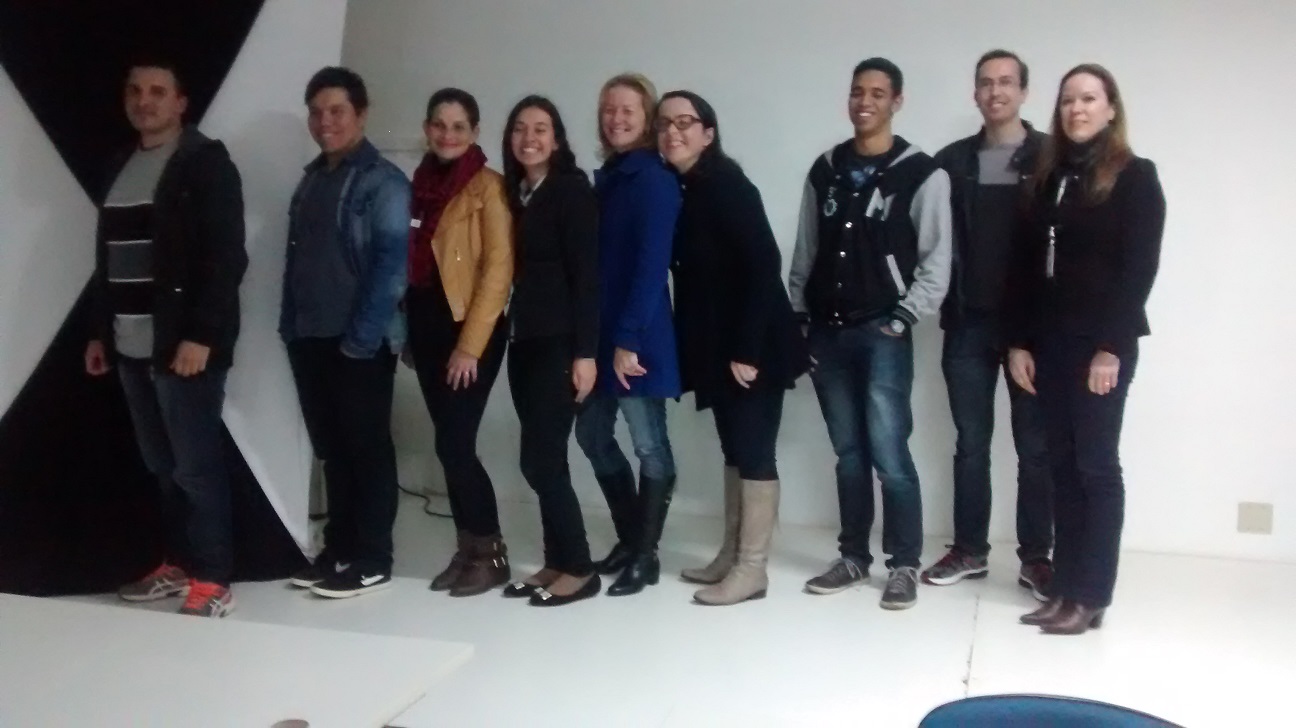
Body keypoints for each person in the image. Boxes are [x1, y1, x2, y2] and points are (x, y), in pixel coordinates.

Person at [788, 57, 952, 610]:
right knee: (848, 453)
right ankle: (853, 557)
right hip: (827, 334)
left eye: (878, 93)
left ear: (896, 102)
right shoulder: (826, 169)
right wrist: (799, 315)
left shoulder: (921, 173)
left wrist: (903, 317)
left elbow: (937, 261)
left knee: (889, 454)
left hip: (883, 332)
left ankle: (903, 564)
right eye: (858, 91)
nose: (865, 102)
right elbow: (806, 248)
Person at [85, 58, 247, 618]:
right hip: (131, 346)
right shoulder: (120, 164)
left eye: (158, 91)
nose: (144, 100)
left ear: (181, 103)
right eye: (135, 90)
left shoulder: (204, 163)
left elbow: (226, 258)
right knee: (162, 465)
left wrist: (201, 336)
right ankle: (180, 565)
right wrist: (101, 332)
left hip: (183, 348)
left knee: (196, 468)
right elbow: (108, 260)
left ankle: (214, 578)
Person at [1009, 64, 1165, 635]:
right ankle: (1065, 589)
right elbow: (1025, 270)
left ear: (1110, 108)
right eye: (1068, 100)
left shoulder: (1135, 176)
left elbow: (1138, 271)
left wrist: (1110, 348)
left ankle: (1092, 594)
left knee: (1095, 467)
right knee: (1062, 469)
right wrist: (1019, 343)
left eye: (1089, 99)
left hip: (1100, 347)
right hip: (1049, 344)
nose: (1077, 109)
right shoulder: (1048, 178)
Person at [658, 91, 809, 606]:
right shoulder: (686, 187)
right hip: (720, 346)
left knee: (754, 450)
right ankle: (731, 554)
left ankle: (752, 569)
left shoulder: (726, 184)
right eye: (664, 123)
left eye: (684, 122)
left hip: (755, 346)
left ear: (708, 133)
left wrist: (747, 349)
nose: (672, 132)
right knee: (734, 449)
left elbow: (763, 264)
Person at [923, 50, 1054, 600]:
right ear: (975, 92)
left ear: (1023, 91)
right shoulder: (951, 162)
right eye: (985, 82)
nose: (995, 91)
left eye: (1006, 82)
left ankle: (1037, 559)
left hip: (1033, 331)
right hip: (969, 324)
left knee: (1035, 448)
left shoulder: (1052, 156)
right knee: (971, 443)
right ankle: (970, 550)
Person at [280, 67, 410, 599]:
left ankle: (374, 557)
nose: (325, 121)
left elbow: (391, 270)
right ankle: (338, 549)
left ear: (360, 113)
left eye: (336, 111)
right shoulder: (313, 178)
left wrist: (360, 340)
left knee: (366, 449)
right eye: (316, 112)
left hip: (360, 342)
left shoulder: (384, 182)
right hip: (309, 335)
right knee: (332, 450)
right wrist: (291, 328)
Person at [573, 73, 681, 597]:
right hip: (600, 334)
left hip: (636, 335)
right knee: (592, 436)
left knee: (649, 445)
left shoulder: (654, 179)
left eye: (627, 110)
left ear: (647, 118)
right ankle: (630, 538)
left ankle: (646, 555)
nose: (616, 118)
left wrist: (629, 338)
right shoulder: (610, 178)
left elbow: (651, 266)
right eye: (608, 109)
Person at [408, 88, 515, 597]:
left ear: (474, 132)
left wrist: (469, 346)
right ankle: (467, 548)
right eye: (439, 124)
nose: (447, 134)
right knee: (447, 445)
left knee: (455, 443)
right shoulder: (421, 182)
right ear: (427, 128)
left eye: (458, 126)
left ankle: (491, 553)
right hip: (428, 328)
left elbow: (497, 271)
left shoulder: (489, 188)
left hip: (470, 332)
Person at [498, 95, 601, 607]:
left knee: (543, 461)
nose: (529, 138)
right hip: (524, 342)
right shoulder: (517, 193)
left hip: (560, 344)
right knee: (540, 459)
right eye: (520, 128)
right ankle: (555, 561)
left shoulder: (571, 191)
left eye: (540, 129)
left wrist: (586, 353)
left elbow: (587, 278)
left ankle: (580, 568)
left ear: (557, 139)